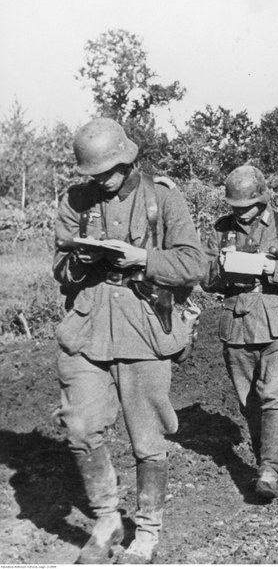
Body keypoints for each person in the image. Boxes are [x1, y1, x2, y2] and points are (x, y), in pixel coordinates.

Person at [52, 118, 206, 564]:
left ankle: (149, 530)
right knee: (79, 423)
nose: (99, 181)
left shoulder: (163, 198)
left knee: (147, 436)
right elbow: (61, 270)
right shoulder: (76, 201)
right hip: (88, 326)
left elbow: (194, 264)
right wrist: (79, 259)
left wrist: (145, 258)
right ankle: (106, 518)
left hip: (144, 327)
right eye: (92, 174)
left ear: (128, 159)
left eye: (107, 172)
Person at [200, 165, 278, 499]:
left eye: (248, 207)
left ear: (262, 200)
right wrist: (221, 268)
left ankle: (269, 470)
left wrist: (271, 267)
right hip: (238, 324)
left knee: (276, 394)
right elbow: (205, 280)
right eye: (236, 207)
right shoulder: (220, 231)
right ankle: (261, 459)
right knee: (249, 402)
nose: (242, 213)